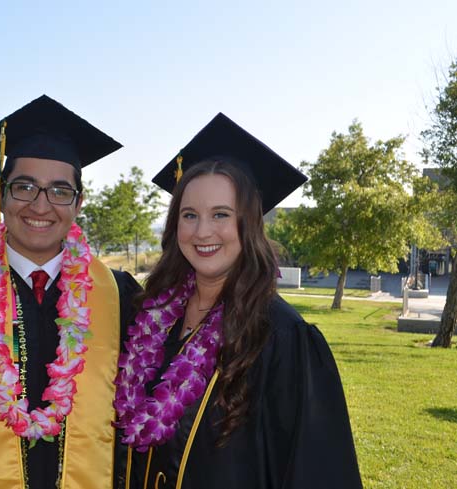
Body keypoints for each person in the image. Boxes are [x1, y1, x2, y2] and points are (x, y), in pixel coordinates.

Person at [114, 113, 362, 488]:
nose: (202, 231)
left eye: (221, 215)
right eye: (189, 215)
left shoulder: (281, 338)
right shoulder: (153, 318)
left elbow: (316, 471)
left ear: (249, 224)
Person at [0, 95, 141, 489]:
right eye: (25, 187)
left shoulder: (123, 297)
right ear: (2, 194)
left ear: (78, 203)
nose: (41, 206)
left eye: (60, 191)